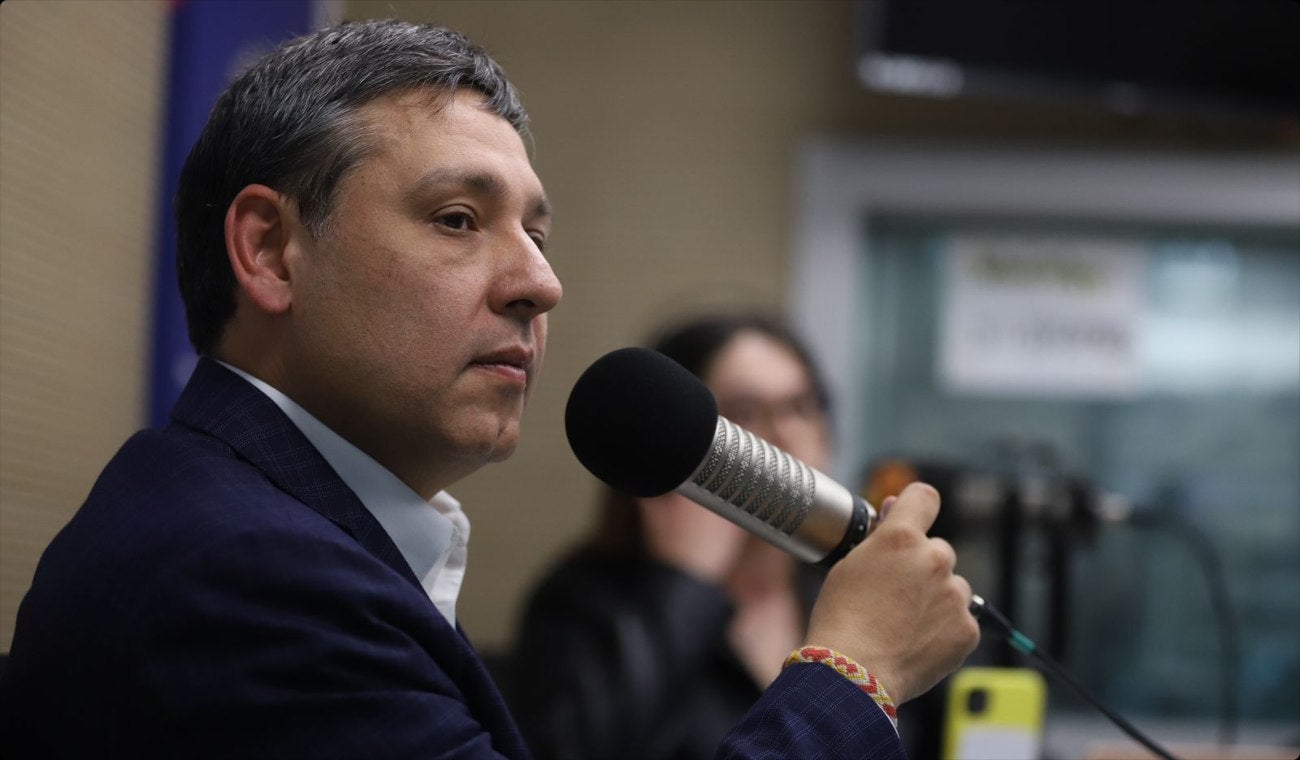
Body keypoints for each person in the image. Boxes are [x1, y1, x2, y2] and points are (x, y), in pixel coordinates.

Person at [0, 18, 979, 759]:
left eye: (537, 236)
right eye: (459, 219)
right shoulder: (246, 575)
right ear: (270, 250)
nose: (540, 284)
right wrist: (855, 671)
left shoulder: (282, 524)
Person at [510, 313, 839, 759]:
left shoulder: (842, 589)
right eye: (744, 412)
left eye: (800, 406)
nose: (785, 434)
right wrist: (684, 584)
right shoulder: (583, 602)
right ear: (669, 437)